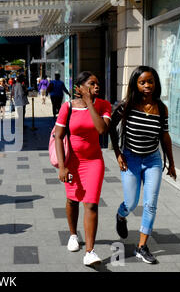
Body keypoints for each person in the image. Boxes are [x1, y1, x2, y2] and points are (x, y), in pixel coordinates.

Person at [109, 66, 176, 264]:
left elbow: (165, 136)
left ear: (156, 84)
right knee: (131, 202)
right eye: (142, 82)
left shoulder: (161, 108)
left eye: (150, 82)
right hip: (131, 158)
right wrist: (118, 154)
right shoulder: (127, 105)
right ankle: (121, 216)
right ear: (135, 85)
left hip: (153, 160)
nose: (147, 85)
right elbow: (111, 127)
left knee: (150, 204)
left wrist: (171, 163)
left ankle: (142, 246)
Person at [54, 71, 111, 266]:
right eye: (92, 84)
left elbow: (102, 130)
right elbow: (59, 137)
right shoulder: (67, 107)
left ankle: (90, 251)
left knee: (91, 203)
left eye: (98, 83)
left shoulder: (104, 105)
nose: (97, 87)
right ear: (79, 87)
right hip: (73, 163)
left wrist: (89, 103)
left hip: (94, 161)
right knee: (72, 200)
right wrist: (62, 167)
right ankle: (72, 234)